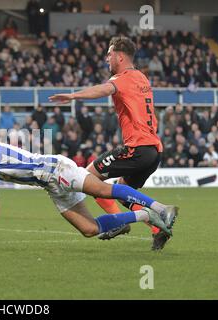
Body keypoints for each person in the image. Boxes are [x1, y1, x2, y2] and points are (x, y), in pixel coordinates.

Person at [0, 141, 178, 249]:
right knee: (89, 229)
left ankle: (160, 207)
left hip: (57, 170)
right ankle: (146, 215)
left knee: (103, 190)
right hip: (51, 186)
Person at [49, 36, 168, 250]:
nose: (107, 59)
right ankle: (157, 228)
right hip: (154, 151)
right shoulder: (142, 78)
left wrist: (73, 96)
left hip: (137, 148)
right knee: (123, 191)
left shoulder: (122, 79)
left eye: (109, 55)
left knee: (87, 177)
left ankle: (122, 222)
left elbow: (103, 89)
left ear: (120, 57)